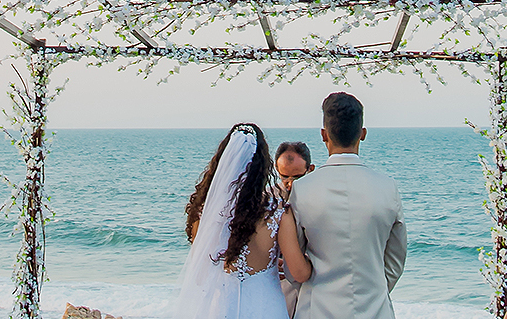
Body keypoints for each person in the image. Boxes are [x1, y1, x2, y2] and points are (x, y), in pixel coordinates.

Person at [287, 92, 407, 319]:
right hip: (375, 309)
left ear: (324, 135)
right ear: (363, 134)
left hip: (317, 309)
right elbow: (395, 259)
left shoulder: (302, 190)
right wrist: (375, 291)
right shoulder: (387, 187)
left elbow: (295, 265)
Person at [174, 123, 312, 319]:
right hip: (265, 307)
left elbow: (200, 274)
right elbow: (299, 273)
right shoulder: (278, 209)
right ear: (263, 165)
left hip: (219, 307)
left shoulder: (205, 211)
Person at [274, 141, 315, 317]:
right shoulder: (266, 199)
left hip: (313, 290)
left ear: (310, 169)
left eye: (297, 178)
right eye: (284, 177)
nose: (290, 184)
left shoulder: (320, 199)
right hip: (279, 289)